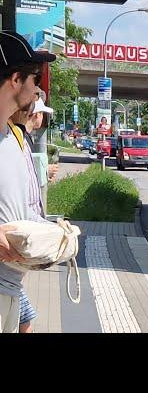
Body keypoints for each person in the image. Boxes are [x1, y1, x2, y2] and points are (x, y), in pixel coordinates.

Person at [0, 30, 56, 333]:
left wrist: (56, 237)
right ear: (15, 79)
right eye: (35, 79)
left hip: (10, 288)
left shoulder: (13, 139)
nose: (38, 91)